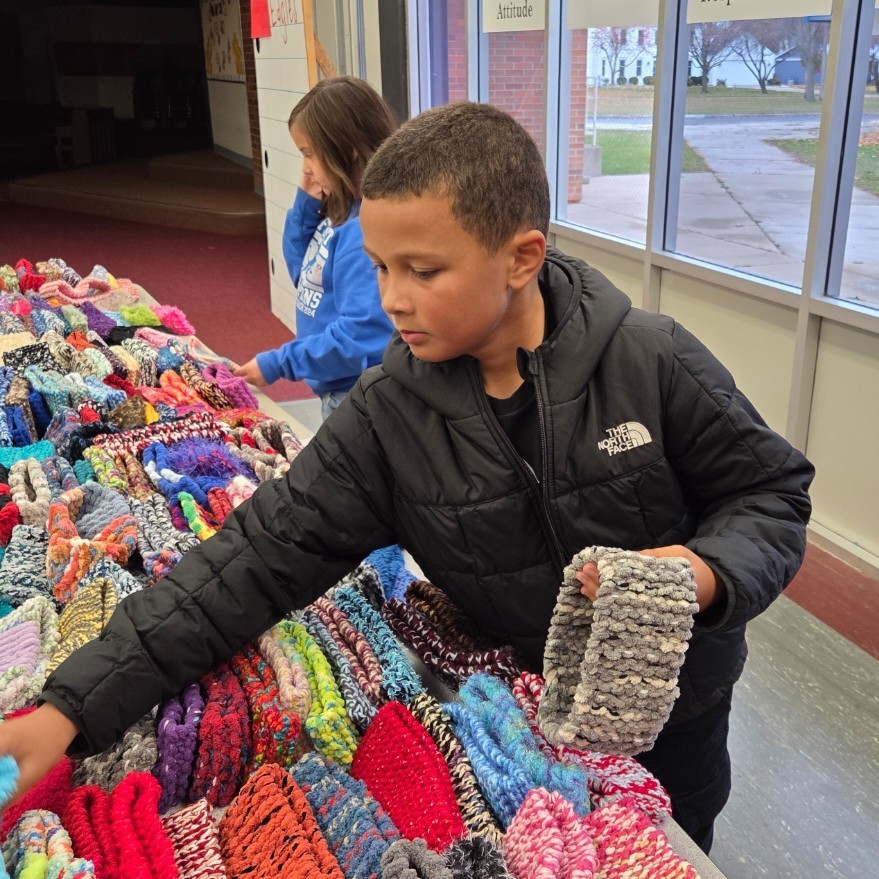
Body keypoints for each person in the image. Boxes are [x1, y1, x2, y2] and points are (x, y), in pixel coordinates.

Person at [0, 103, 813, 853]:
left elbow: (769, 493)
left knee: (677, 844)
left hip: (680, 709)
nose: (392, 299)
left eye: (422, 270)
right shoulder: (387, 417)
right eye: (380, 267)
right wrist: (73, 706)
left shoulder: (650, 359)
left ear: (521, 257)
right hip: (518, 734)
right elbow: (248, 560)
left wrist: (705, 573)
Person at [234, 75, 397, 421]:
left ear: (347, 150)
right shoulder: (342, 212)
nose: (305, 168)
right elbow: (304, 274)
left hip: (355, 396)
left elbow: (361, 335)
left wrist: (280, 363)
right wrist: (306, 203)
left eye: (309, 154)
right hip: (337, 390)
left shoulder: (364, 234)